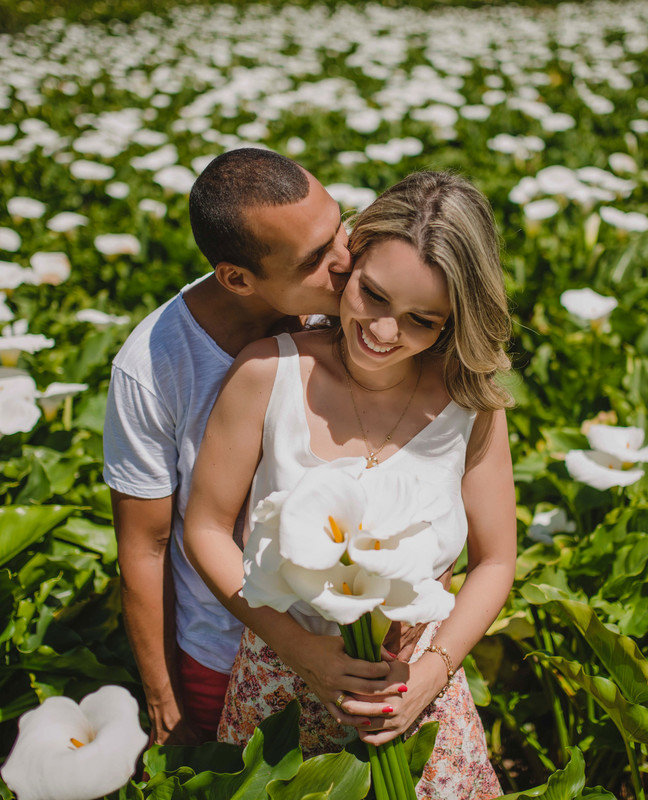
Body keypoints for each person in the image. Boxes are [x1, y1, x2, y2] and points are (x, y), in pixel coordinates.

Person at [184, 171, 516, 798]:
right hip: (282, 683)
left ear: (455, 319)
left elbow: (496, 560)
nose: (385, 332)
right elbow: (205, 528)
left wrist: (430, 674)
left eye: (422, 319)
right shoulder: (267, 373)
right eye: (373, 295)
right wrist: (300, 652)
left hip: (416, 693)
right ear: (351, 260)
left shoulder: (471, 405)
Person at [102, 148, 396, 745]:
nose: (345, 262)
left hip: (359, 639)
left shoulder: (355, 305)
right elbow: (144, 547)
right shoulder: (153, 369)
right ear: (237, 278)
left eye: (338, 226)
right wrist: (163, 701)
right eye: (314, 259)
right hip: (224, 649)